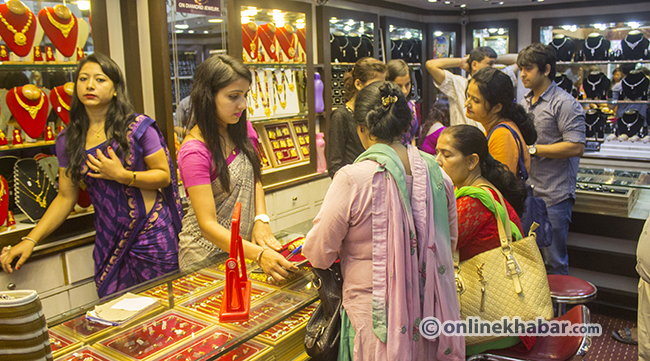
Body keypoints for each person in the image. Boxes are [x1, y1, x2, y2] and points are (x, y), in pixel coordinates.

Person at [0, 53, 184, 298]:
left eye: (100, 79)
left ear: (116, 89)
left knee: (165, 313)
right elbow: (66, 198)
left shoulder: (139, 127)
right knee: (119, 318)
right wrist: (29, 240)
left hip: (151, 235)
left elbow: (164, 176)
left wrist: (123, 175)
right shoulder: (69, 139)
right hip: (109, 241)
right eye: (83, 79)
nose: (90, 85)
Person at [304, 81, 464, 360]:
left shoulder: (353, 179)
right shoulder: (438, 176)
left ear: (362, 129)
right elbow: (447, 245)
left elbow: (318, 253)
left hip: (375, 321)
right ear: (405, 125)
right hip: (430, 316)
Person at [176, 54, 296, 282]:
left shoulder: (243, 130)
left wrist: (261, 218)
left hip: (243, 249)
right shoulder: (194, 151)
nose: (242, 104)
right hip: (204, 256)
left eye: (245, 95)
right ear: (208, 97)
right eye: (233, 96)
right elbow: (207, 225)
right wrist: (259, 254)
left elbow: (255, 178)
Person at [435, 124, 529, 355]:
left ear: (471, 161)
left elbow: (436, 248)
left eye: (446, 155)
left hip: (493, 323)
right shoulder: (480, 189)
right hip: (503, 310)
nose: (437, 161)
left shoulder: (473, 201)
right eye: (436, 152)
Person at [517, 43, 585, 275]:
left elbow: (576, 146)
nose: (522, 74)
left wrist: (534, 150)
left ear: (546, 70)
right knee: (529, 261)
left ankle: (559, 311)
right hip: (529, 192)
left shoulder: (564, 103)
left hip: (554, 195)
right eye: (520, 69)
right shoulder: (526, 102)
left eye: (527, 69)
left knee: (555, 261)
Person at [425, 47, 518, 131]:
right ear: (474, 65)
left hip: (490, 139)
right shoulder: (459, 83)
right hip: (464, 143)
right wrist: (462, 61)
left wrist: (494, 58)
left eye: (494, 63)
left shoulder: (498, 82)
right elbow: (431, 65)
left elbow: (519, 59)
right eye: (490, 64)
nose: (494, 67)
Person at [465, 66, 537, 176]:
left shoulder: (502, 136)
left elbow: (501, 185)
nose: (467, 104)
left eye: (476, 100)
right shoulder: (494, 129)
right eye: (468, 96)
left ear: (497, 107)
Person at [327, 57, 386, 178]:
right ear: (358, 84)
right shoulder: (341, 116)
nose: (379, 91)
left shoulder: (376, 112)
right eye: (375, 85)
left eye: (382, 85)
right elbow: (334, 165)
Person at [386, 59, 419, 145]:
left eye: (407, 84)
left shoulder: (411, 105)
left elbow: (412, 138)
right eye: (399, 86)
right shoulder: (383, 107)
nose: (404, 91)